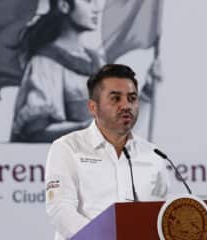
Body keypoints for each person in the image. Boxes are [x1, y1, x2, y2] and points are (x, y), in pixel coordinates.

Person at [45, 64, 170, 239]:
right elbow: (60, 210)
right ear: (93, 107)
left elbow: (160, 216)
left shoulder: (154, 155)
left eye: (132, 98)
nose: (126, 105)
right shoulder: (67, 148)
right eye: (115, 99)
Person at [10, 0, 105, 142]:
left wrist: (147, 90)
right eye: (88, 1)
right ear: (64, 5)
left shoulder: (97, 61)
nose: (97, 9)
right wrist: (88, 128)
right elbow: (37, 130)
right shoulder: (45, 63)